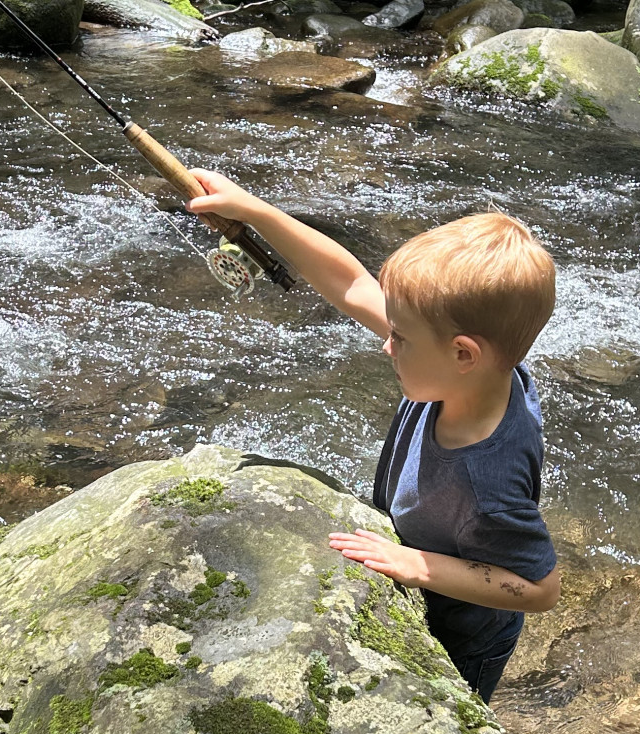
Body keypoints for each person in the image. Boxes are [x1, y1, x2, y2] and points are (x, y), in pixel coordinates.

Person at [186, 171, 561, 702]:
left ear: (463, 353)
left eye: (400, 337)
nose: (387, 344)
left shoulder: (486, 482)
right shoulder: (478, 373)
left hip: (463, 637)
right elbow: (351, 283)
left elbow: (540, 589)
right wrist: (255, 212)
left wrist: (418, 565)